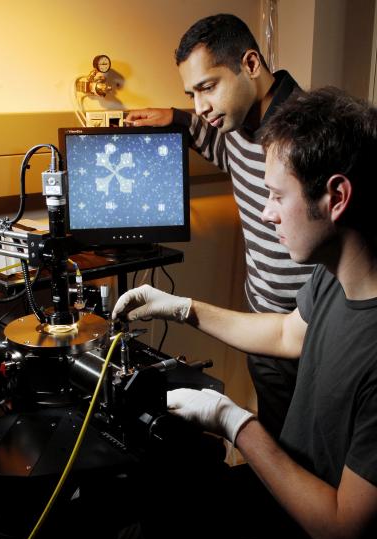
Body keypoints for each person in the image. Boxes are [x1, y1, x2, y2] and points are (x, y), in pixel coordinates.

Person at [114, 87, 377, 539]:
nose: (266, 212)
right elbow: (285, 335)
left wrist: (234, 421)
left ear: (336, 197)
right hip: (286, 501)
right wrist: (182, 307)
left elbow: (343, 535)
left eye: (278, 196)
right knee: (165, 506)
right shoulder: (331, 274)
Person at [125, 13, 314, 439]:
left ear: (250, 64)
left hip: (312, 333)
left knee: (314, 458)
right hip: (261, 325)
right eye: (192, 93)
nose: (201, 106)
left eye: (208, 87)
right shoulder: (233, 122)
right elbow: (210, 135)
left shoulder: (307, 135)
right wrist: (174, 116)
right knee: (281, 446)